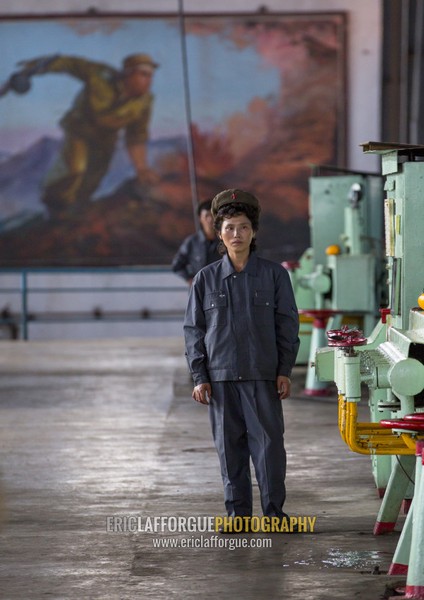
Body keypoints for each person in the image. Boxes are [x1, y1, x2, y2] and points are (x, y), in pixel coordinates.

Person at [184, 188, 300, 531]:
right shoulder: (205, 279)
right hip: (220, 379)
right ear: (219, 233)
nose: (237, 234)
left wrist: (284, 370)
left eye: (244, 227)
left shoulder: (274, 276)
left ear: (254, 232)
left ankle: (274, 514)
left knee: (269, 449)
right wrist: (199, 375)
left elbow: (287, 324)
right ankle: (237, 516)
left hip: (262, 376)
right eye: (230, 227)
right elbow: (194, 330)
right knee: (229, 449)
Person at [5, 53, 159, 216]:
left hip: (105, 140)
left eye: (150, 76)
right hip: (80, 132)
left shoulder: (144, 102)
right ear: (128, 73)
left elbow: (136, 136)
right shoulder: (100, 75)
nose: (149, 81)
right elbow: (68, 63)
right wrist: (32, 69)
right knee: (75, 169)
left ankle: (76, 214)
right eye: (144, 75)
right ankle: (55, 207)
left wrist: (141, 168)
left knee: (93, 180)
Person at [171, 199, 221, 285]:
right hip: (200, 289)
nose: (210, 219)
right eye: (206, 216)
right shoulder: (192, 242)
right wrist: (190, 279)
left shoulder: (225, 240)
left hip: (222, 287)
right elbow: (177, 265)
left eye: (213, 215)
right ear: (200, 218)